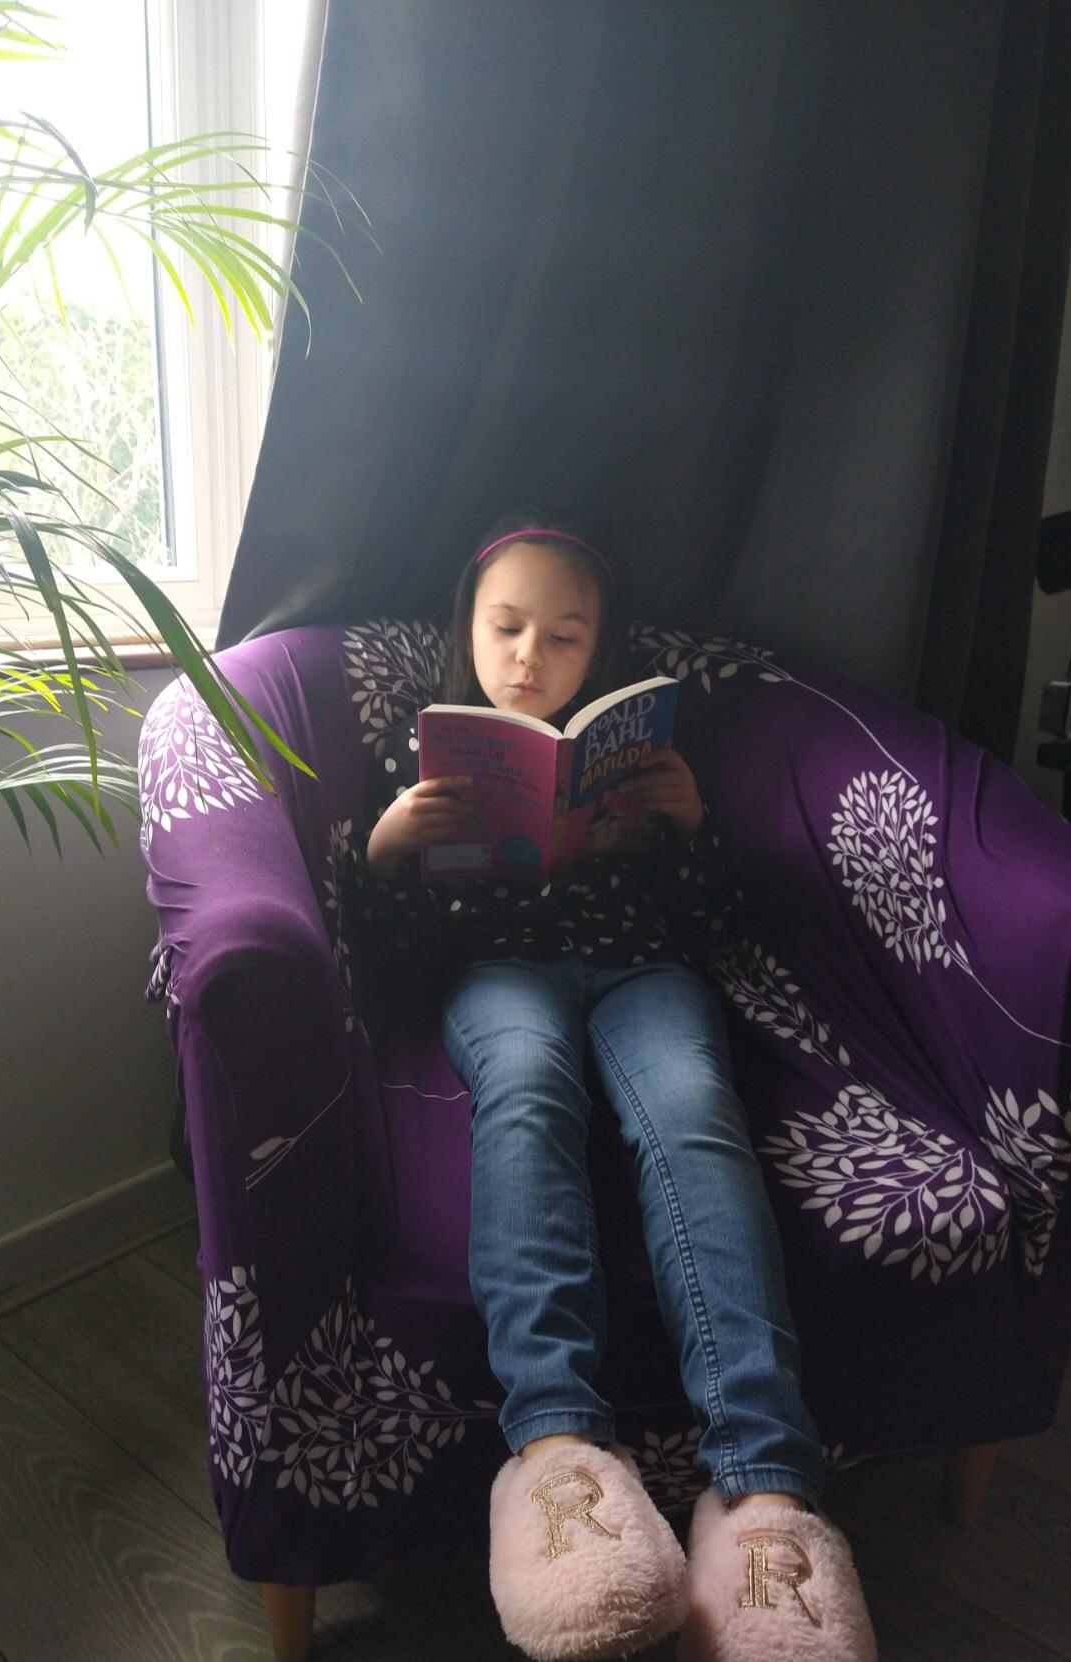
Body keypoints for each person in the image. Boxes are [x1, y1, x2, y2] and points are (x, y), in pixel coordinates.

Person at [348, 510, 878, 1662]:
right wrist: (385, 853)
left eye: (564, 636)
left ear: (601, 648)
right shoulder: (417, 748)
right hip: (498, 971)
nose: (528, 656)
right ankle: (555, 1452)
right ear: (468, 625)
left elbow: (714, 925)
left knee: (693, 1118)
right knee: (525, 1087)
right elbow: (390, 965)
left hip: (643, 968)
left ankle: (764, 1490)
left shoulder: (636, 751)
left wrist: (688, 829)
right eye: (506, 627)